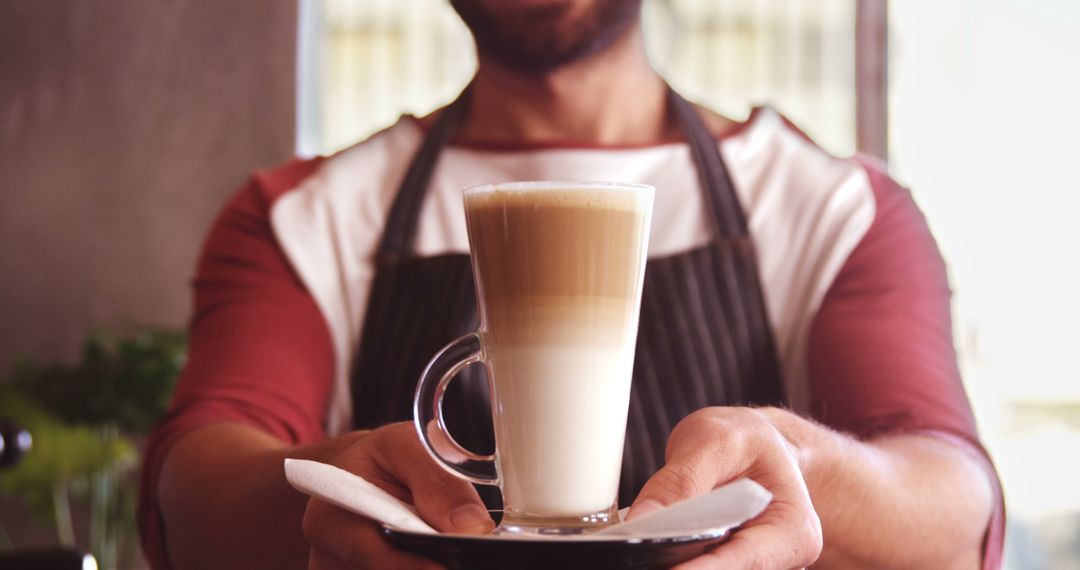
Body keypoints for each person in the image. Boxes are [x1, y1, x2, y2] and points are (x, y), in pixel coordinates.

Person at [138, 0, 1004, 568]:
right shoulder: (303, 215)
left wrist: (800, 462)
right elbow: (190, 492)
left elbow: (957, 516)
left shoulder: (836, 210)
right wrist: (339, 479)